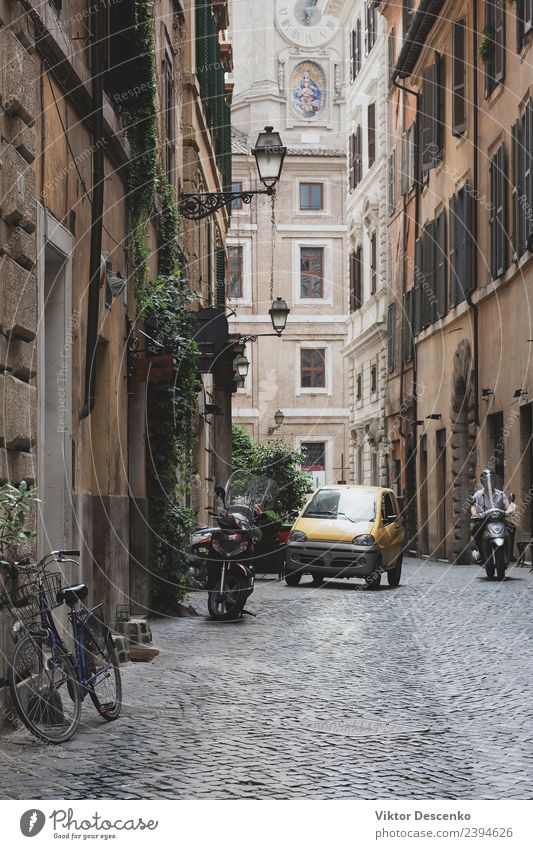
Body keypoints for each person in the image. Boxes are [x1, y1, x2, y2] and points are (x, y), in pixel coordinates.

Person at [470, 469, 515, 558]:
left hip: (499, 519)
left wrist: (511, 510)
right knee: (475, 528)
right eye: (487, 480)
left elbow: (507, 503)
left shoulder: (501, 494)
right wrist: (474, 513)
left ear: (495, 480)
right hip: (483, 519)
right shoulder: (478, 495)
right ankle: (481, 552)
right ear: (482, 482)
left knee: (512, 528)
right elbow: (473, 506)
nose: (490, 482)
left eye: (492, 480)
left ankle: (510, 554)